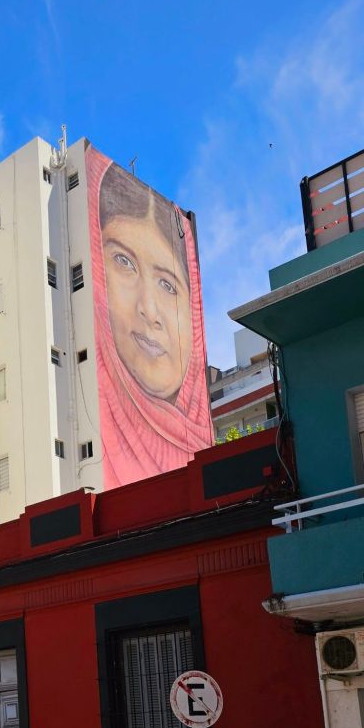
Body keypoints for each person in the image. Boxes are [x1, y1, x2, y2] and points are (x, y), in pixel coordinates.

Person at [87, 149, 213, 487]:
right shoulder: (91, 421)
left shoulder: (209, 468)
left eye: (168, 285)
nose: (150, 310)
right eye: (124, 262)